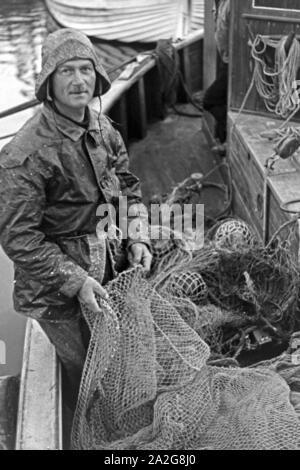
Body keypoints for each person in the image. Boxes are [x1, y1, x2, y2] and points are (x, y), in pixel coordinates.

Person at [0, 28, 152, 409]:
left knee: (115, 364)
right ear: (48, 82)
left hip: (107, 267)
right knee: (84, 375)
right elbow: (19, 239)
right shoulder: (26, 154)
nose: (79, 80)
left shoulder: (104, 129)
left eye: (86, 69)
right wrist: (77, 280)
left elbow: (128, 188)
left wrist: (137, 238)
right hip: (55, 294)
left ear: (97, 76)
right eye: (66, 71)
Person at [203, 0, 230, 153]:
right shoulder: (219, 2)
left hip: (232, 62)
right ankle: (225, 142)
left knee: (210, 100)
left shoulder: (232, 4)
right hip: (224, 58)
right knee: (223, 100)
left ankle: (229, 131)